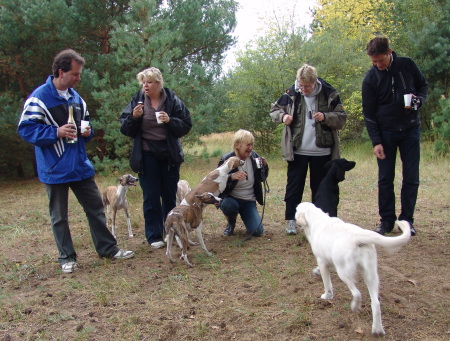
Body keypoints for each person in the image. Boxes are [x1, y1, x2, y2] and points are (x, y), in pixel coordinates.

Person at [17, 49, 134, 274]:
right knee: (59, 216)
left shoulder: (76, 98)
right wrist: (56, 132)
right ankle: (67, 258)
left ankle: (108, 249)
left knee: (96, 209)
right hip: (54, 168)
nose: (79, 79)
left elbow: (86, 126)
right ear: (61, 72)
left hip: (80, 166)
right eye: (75, 74)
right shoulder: (39, 98)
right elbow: (26, 129)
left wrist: (87, 132)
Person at [269, 64, 347, 235]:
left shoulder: (328, 92)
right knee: (294, 187)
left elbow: (342, 118)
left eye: (307, 86)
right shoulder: (291, 93)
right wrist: (284, 117)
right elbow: (274, 110)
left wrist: (326, 117)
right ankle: (291, 220)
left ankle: (320, 223)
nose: (303, 89)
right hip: (297, 150)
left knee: (321, 189)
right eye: (301, 85)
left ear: (315, 82)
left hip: (323, 151)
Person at [362, 36, 428, 236]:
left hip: (410, 129)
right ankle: (387, 221)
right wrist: (376, 141)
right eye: (374, 62)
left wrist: (419, 101)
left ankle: (407, 221)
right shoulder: (370, 78)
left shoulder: (407, 65)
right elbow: (369, 113)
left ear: (389, 53)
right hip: (386, 133)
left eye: (380, 60)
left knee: (411, 177)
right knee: (385, 178)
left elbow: (423, 86)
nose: (378, 65)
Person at [120, 67, 192, 248]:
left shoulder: (172, 100)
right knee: (151, 196)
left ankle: (171, 231)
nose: (145, 85)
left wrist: (170, 120)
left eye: (149, 82)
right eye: (143, 82)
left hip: (169, 155)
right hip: (146, 154)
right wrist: (134, 118)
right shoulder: (137, 101)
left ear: (159, 84)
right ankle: (154, 236)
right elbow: (125, 128)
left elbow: (186, 125)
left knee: (169, 195)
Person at [217, 129, 269, 237]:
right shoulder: (227, 159)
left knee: (257, 232)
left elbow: (261, 178)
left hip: (248, 201)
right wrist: (231, 177)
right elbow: (216, 180)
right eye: (248, 145)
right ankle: (231, 223)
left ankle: (248, 215)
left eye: (252, 144)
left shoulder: (255, 157)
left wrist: (265, 167)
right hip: (231, 199)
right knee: (228, 205)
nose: (251, 148)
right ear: (237, 145)